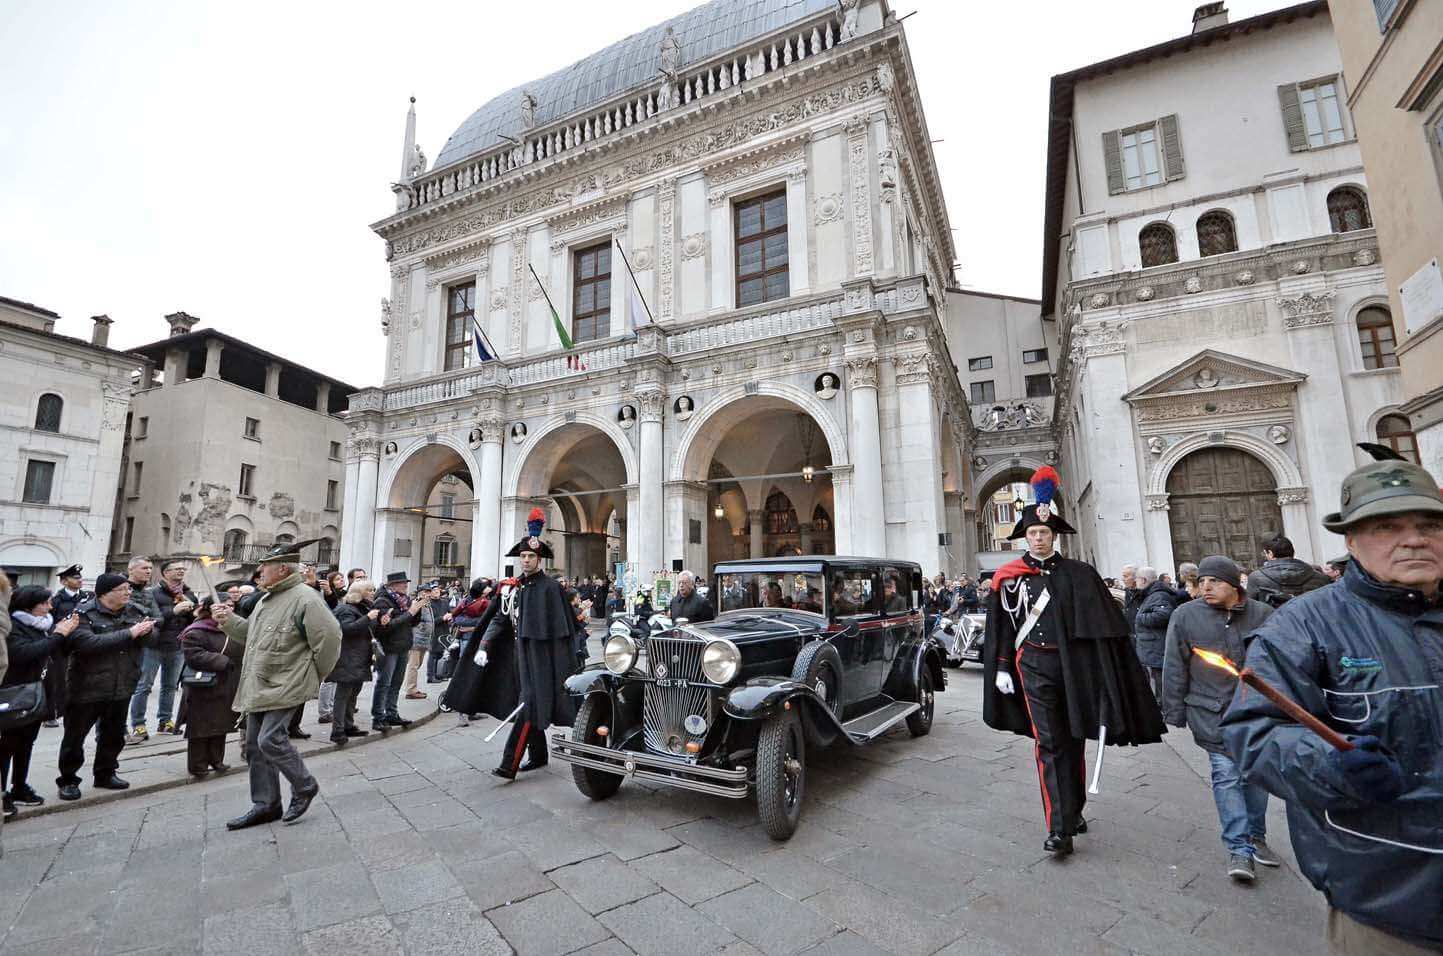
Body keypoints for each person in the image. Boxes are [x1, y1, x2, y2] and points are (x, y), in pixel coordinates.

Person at [1223, 459, 1443, 953]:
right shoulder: (1301, 627)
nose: (1413, 540)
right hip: (1389, 900)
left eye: (1430, 525)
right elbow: (1253, 734)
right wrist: (1330, 765)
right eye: (1387, 527)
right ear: (1351, 541)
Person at [983, 466, 1166, 856]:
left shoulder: (1080, 574)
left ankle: (1074, 809)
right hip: (1032, 666)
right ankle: (1059, 826)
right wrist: (1000, 667)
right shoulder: (1009, 577)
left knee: (1073, 737)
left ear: (1054, 535)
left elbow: (1104, 627)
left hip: (1074, 668)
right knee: (1049, 742)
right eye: (1033, 533)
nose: (1039, 538)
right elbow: (1001, 625)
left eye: (1044, 533)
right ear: (1025, 536)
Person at [1160, 555, 1277, 882]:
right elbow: (1174, 664)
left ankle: (1256, 836)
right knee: (1226, 775)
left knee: (1255, 775)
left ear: (1235, 585)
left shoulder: (1263, 615)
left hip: (1256, 712)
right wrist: (1174, 710)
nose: (1206, 587)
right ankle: (1239, 849)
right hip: (1210, 711)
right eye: (1202, 582)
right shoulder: (1186, 615)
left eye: (1215, 581)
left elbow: (1279, 661)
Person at [213, 540, 340, 829]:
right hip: (259, 683)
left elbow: (330, 638)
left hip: (288, 682)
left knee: (269, 739)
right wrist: (228, 620)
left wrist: (314, 675)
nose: (260, 571)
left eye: (265, 566)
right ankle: (266, 804)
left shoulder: (306, 598)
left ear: (283, 569)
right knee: (255, 747)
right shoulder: (265, 600)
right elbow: (250, 634)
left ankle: (304, 785)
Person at [493, 509, 577, 780]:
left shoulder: (551, 588)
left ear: (539, 560)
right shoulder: (515, 586)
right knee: (530, 702)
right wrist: (485, 646)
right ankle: (539, 755)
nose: (526, 560)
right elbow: (502, 618)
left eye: (531, 556)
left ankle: (509, 764)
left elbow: (563, 630)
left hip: (542, 658)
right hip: (520, 655)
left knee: (528, 704)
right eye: (523, 556)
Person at [57, 573, 153, 800]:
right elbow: (88, 643)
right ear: (105, 594)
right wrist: (130, 633)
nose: (128, 593)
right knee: (75, 738)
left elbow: (151, 637)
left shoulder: (134, 611)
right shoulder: (83, 613)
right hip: (87, 686)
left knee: (113, 735)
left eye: (129, 589)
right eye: (122, 589)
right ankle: (68, 780)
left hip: (122, 683)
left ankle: (105, 773)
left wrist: (148, 631)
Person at [4, 586, 75, 817]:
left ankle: (19, 786)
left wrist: (65, 633)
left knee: (27, 743)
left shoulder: (45, 624)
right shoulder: (13, 626)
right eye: (45, 603)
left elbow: (56, 652)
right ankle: (2, 794)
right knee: (7, 747)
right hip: (16, 694)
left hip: (38, 693)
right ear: (28, 605)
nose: (50, 607)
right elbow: (23, 653)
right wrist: (58, 635)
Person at [129, 558, 195, 741]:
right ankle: (138, 724)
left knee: (170, 686)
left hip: (177, 646)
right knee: (144, 686)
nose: (181, 572)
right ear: (166, 573)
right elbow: (152, 618)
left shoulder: (188, 593)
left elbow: (193, 621)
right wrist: (174, 611)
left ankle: (165, 721)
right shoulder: (152, 593)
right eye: (176, 569)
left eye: (183, 569)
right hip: (154, 646)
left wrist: (194, 612)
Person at [177, 597, 243, 778]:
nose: (227, 609)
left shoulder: (233, 628)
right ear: (209, 609)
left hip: (226, 684)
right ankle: (198, 765)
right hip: (203, 687)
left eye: (230, 606)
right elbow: (193, 655)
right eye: (222, 606)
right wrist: (222, 660)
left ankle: (216, 760)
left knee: (221, 725)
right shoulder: (196, 630)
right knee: (201, 728)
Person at [371, 572, 428, 730]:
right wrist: (410, 612)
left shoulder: (405, 600)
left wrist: (417, 609)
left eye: (406, 583)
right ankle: (378, 717)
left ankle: (392, 714)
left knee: (396, 683)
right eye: (402, 583)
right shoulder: (382, 601)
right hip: (389, 647)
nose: (405, 585)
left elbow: (412, 622)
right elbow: (386, 627)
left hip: (403, 646)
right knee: (384, 683)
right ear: (392, 585)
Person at [328, 580, 379, 745]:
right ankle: (337, 731)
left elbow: (367, 629)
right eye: (369, 590)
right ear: (360, 593)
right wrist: (367, 618)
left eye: (373, 590)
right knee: (343, 695)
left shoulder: (363, 608)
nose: (373, 593)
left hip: (359, 657)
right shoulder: (346, 609)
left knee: (353, 693)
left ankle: (348, 725)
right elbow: (347, 629)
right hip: (348, 657)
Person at [46, 565, 89, 726]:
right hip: (61, 646)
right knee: (58, 679)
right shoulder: (56, 600)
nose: (79, 580)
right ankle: (53, 713)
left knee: (81, 678)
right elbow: (48, 623)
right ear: (64, 581)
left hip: (82, 644)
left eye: (80, 577)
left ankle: (74, 709)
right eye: (75, 578)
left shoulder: (87, 597)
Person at [1245, 534, 1332, 607]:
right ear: (1293, 552)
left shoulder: (1256, 578)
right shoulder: (1320, 577)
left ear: (1270, 554)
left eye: (1265, 553)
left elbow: (1251, 608)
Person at [1132, 566, 1179, 699]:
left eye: (1137, 579)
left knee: (1161, 688)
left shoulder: (1158, 595)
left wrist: (1140, 618)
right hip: (1153, 649)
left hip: (1157, 650)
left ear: (1144, 580)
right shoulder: (1152, 594)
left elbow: (1164, 615)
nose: (1135, 582)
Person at [403, 581, 437, 700]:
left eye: (429, 591)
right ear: (420, 592)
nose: (428, 594)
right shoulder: (417, 603)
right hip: (416, 639)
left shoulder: (427, 604)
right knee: (413, 665)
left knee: (417, 664)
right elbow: (410, 618)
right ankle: (411, 690)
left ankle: (413, 688)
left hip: (424, 640)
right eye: (426, 591)